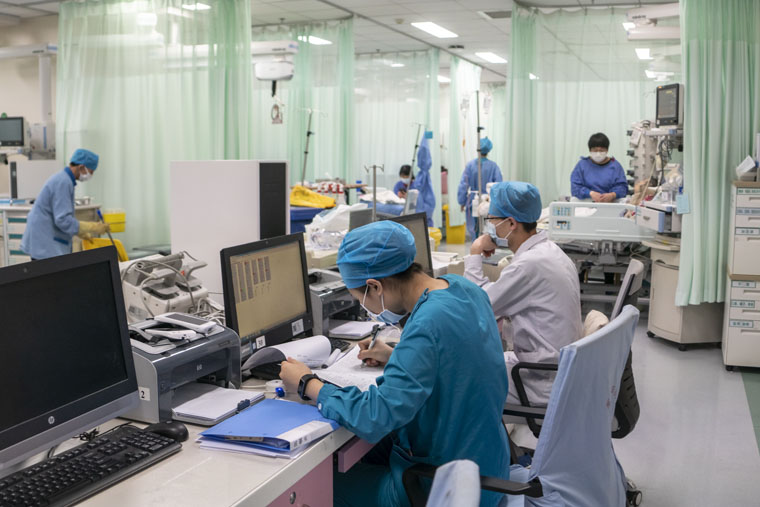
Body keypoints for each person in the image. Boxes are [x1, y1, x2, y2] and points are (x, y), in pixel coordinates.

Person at [279, 221, 510, 507]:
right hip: (487, 464)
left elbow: (375, 417)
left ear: (375, 286)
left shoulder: (427, 324)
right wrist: (397, 355)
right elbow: (454, 354)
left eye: (359, 299)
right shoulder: (463, 288)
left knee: (314, 485)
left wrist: (308, 383)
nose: (365, 308)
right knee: (354, 455)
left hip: (445, 487)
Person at [464, 181, 582, 407]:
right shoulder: (549, 251)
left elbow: (477, 306)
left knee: (457, 381)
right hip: (554, 367)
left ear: (511, 223)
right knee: (478, 362)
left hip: (539, 380)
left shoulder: (529, 265)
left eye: (492, 220)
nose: (491, 226)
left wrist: (475, 252)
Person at [21, 149, 109, 260]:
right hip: (45, 242)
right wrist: (92, 227)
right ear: (82, 167)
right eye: (91, 172)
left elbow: (61, 215)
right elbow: (62, 220)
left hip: (44, 238)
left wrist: (81, 232)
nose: (90, 175)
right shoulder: (63, 182)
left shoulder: (64, 179)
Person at [457, 137, 503, 239]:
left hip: (473, 199)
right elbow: (499, 186)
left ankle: (476, 245)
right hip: (488, 201)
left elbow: (463, 185)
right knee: (487, 228)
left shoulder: (470, 166)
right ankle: (485, 245)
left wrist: (462, 202)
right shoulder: (493, 166)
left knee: (474, 228)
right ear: (489, 150)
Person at [570, 132, 628, 202]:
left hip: (610, 202)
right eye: (595, 150)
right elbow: (575, 188)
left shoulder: (615, 166)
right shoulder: (582, 165)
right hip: (587, 201)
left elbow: (623, 187)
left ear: (607, 150)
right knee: (574, 199)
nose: (598, 154)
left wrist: (612, 195)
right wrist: (590, 193)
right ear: (590, 150)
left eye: (601, 150)